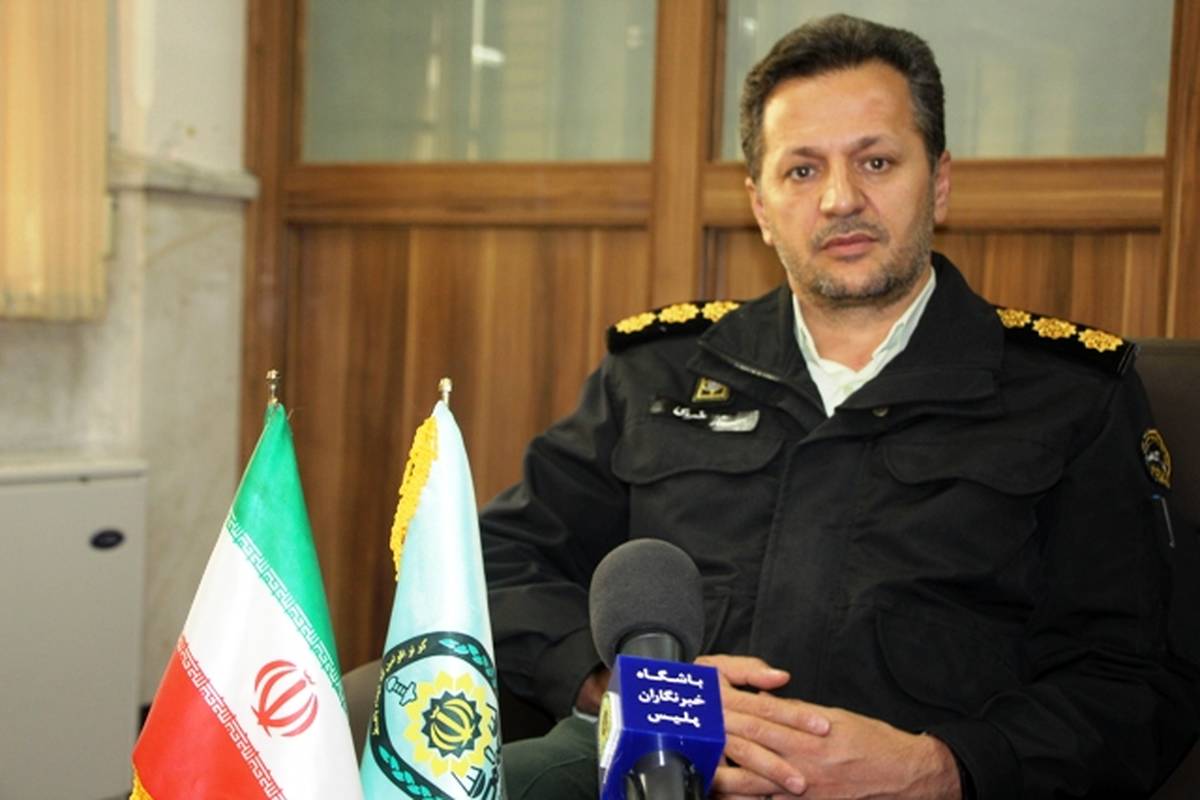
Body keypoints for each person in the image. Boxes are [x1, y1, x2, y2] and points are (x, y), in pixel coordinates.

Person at [480, 14, 1200, 799]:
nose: (839, 199)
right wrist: (618, 688)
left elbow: (1136, 678)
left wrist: (941, 769)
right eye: (801, 170)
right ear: (760, 207)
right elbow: (497, 562)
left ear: (940, 181)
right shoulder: (659, 373)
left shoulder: (1070, 396)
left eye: (876, 162)